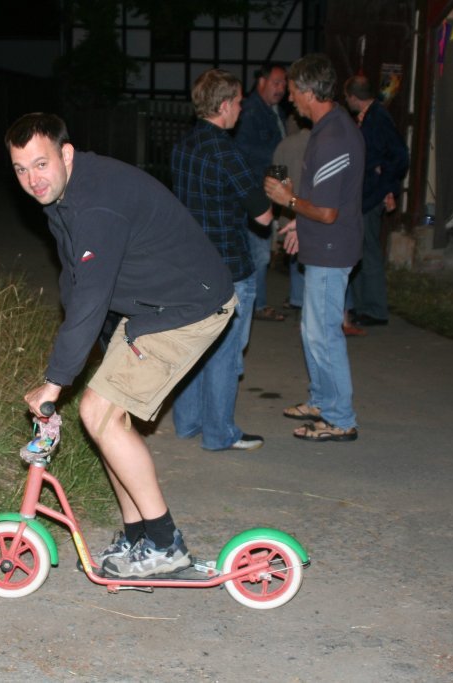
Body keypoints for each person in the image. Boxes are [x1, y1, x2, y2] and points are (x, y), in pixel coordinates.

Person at [6, 113, 236, 578]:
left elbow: (92, 295)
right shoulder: (63, 196)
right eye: (20, 169)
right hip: (151, 309)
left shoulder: (97, 205)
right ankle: (137, 538)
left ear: (65, 154)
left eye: (41, 164)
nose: (33, 179)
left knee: (98, 412)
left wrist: (55, 385)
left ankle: (165, 545)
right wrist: (80, 357)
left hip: (190, 307)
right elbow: (77, 281)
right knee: (106, 415)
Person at [170, 68, 272, 452]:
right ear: (225, 105)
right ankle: (219, 433)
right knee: (225, 353)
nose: (242, 110)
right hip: (229, 265)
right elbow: (262, 215)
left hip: (190, 264)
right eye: (240, 103)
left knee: (194, 345)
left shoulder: (183, 145)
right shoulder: (227, 151)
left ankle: (188, 422)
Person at [264, 53, 364, 443]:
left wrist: (288, 201)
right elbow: (323, 201)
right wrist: (298, 223)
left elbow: (325, 211)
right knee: (313, 331)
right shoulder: (329, 128)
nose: (289, 98)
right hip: (323, 242)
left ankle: (340, 417)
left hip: (330, 248)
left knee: (324, 334)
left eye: (292, 90)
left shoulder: (333, 137)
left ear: (308, 91)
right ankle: (323, 400)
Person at [344, 75, 408, 326]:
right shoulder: (371, 117)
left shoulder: (378, 118)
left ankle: (374, 309)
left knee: (368, 251)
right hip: (366, 194)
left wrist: (386, 185)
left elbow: (399, 155)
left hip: (371, 195)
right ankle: (363, 305)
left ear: (352, 96)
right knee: (360, 250)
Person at [234, 62, 289, 323]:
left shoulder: (272, 110)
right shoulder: (252, 111)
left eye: (284, 83)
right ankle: (254, 304)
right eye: (277, 82)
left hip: (263, 191)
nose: (282, 88)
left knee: (258, 251)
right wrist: (280, 158)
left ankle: (255, 302)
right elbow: (244, 150)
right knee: (259, 253)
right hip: (253, 192)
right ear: (262, 82)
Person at [272, 114, 311, 315]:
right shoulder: (324, 144)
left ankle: (297, 298)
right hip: (314, 208)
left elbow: (276, 178)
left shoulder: (284, 145)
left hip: (290, 208)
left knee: (294, 253)